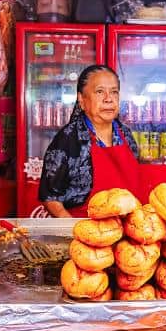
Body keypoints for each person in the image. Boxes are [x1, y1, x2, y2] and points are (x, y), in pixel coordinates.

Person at [39, 65, 141, 217]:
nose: (108, 98)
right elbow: (51, 198)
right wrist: (72, 229)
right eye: (100, 92)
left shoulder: (125, 133)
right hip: (86, 229)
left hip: (126, 229)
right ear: (82, 99)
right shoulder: (67, 139)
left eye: (114, 92)